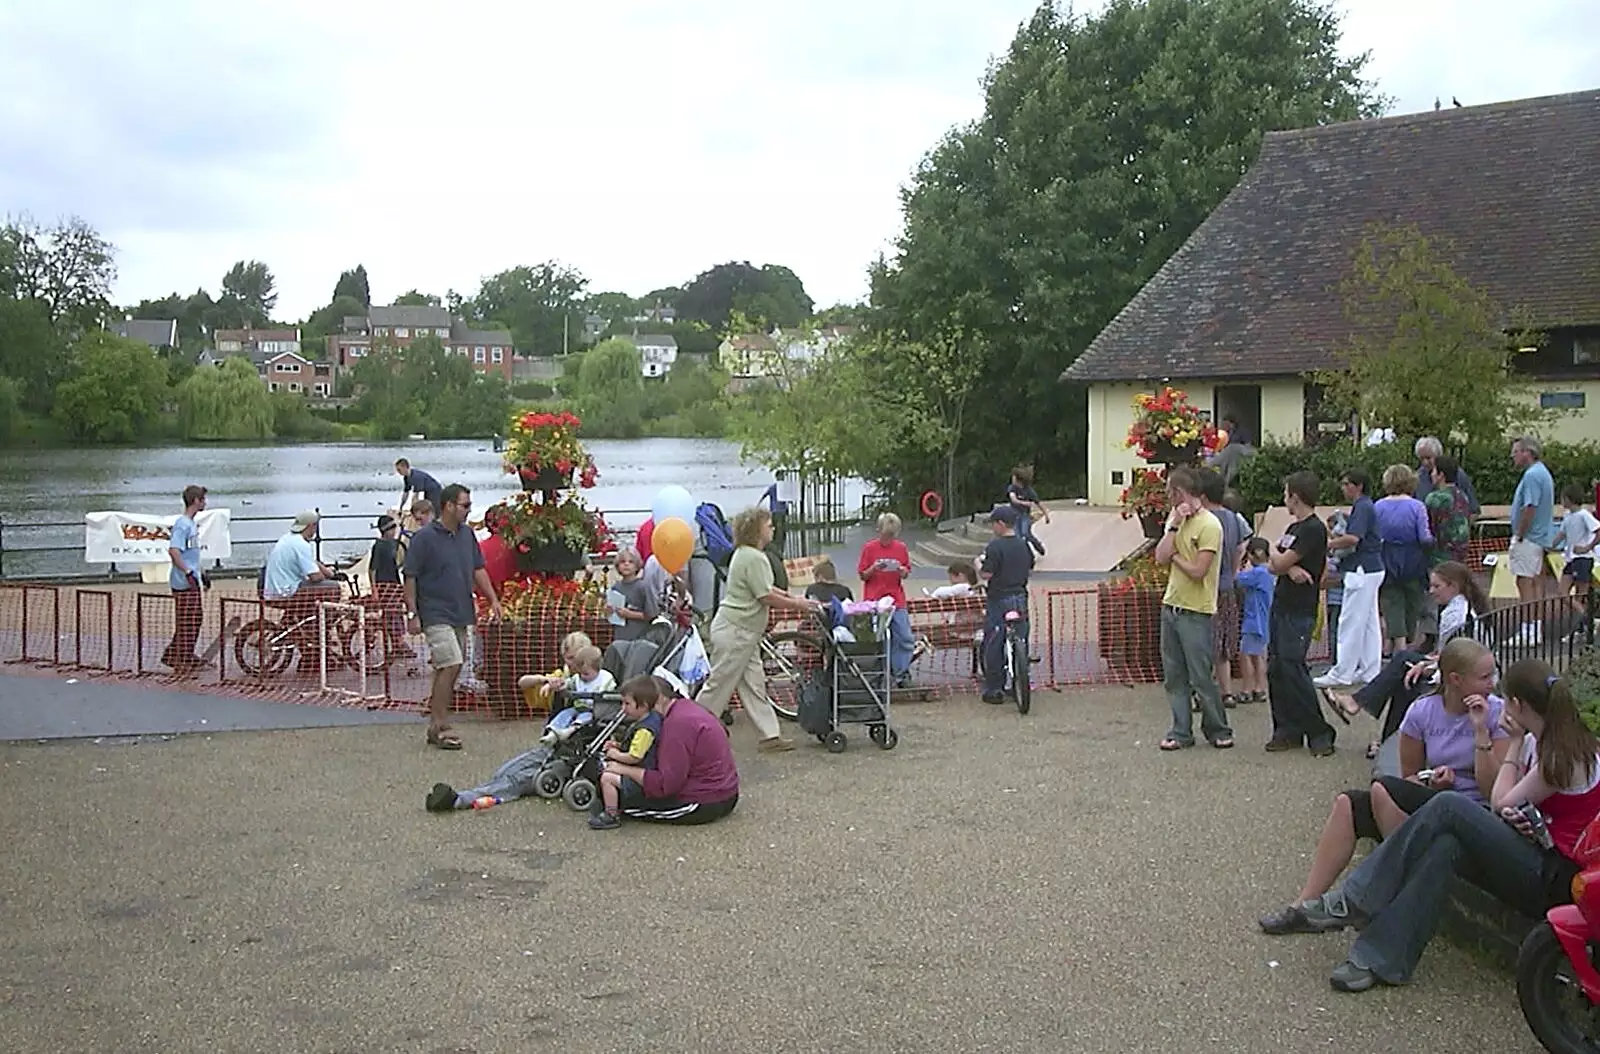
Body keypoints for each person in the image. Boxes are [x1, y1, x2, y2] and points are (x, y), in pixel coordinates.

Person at [1268, 659, 1600, 993]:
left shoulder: (1562, 756)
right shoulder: (1545, 742)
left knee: (1448, 806)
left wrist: (1512, 744)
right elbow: (1515, 806)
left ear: (1518, 705)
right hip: (1536, 854)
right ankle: (1380, 958)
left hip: (1557, 878)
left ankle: (1356, 899)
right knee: (1445, 848)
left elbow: (1500, 801)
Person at [1258, 638, 1513, 934]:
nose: (1492, 684)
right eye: (1484, 677)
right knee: (1348, 804)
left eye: (1492, 675)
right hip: (1432, 801)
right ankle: (1303, 906)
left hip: (1474, 812)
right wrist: (1434, 781)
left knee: (1382, 789)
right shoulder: (1423, 711)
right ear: (1456, 680)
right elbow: (1411, 779)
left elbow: (1495, 790)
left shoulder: (1497, 713)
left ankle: (1384, 898)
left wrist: (1480, 730)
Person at [1323, 561, 1491, 755]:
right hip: (1462, 670)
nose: (1431, 591)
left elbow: (1459, 659)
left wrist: (1427, 666)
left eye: (1437, 586)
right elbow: (1452, 653)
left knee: (1405, 669)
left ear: (1454, 586)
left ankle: (1359, 707)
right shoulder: (1463, 606)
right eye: (1431, 586)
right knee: (1405, 667)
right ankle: (1381, 734)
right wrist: (1428, 661)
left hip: (1463, 678)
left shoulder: (1456, 614)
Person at [696, 506, 823, 752]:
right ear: (757, 529)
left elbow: (765, 588)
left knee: (754, 685)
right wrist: (798, 603)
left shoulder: (744, 554)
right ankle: (692, 729)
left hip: (743, 632)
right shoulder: (754, 557)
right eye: (768, 525)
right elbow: (764, 595)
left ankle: (770, 735)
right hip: (737, 631)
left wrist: (788, 595)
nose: (772, 528)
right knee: (719, 685)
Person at [404, 483, 502, 751]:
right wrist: (413, 613)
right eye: (465, 505)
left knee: (449, 667)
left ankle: (435, 724)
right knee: (451, 663)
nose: (469, 511)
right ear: (448, 505)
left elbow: (478, 568)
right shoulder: (424, 538)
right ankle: (441, 723)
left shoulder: (467, 535)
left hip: (461, 610)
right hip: (434, 611)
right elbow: (410, 575)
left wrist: (492, 599)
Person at [1154, 467, 1231, 750]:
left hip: (1197, 609)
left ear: (1180, 492)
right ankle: (1180, 730)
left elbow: (1199, 570)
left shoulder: (1210, 525)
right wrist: (1174, 526)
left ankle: (1218, 728)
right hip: (1172, 605)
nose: (1168, 498)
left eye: (1170, 493)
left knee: (1200, 675)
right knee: (1174, 676)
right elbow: (1160, 555)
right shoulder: (1176, 521)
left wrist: (1175, 557)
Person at [600, 674, 741, 825]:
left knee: (623, 805)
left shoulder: (676, 725)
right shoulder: (688, 707)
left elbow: (666, 784)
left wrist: (623, 769)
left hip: (703, 801)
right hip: (727, 792)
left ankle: (612, 815)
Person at [1265, 471, 1335, 755]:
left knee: (1294, 667)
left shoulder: (1313, 529)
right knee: (1277, 668)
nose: (1285, 499)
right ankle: (1286, 729)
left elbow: (1278, 559)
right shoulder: (1293, 528)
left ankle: (1319, 731)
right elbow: (1275, 564)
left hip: (1299, 608)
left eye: (1286, 494)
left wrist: (1281, 560)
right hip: (1281, 602)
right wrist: (1287, 566)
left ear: (1295, 496)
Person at [1316, 467, 1384, 689]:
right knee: (1368, 622)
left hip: (1361, 569)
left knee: (1350, 621)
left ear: (1358, 486)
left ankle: (1342, 672)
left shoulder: (1362, 507)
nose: (1343, 488)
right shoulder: (1364, 506)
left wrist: (1328, 544)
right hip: (1372, 568)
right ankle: (1369, 669)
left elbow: (1353, 538)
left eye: (1347, 484)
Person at [262, 510, 342, 672]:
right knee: (334, 589)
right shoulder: (301, 544)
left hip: (275, 588)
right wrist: (329, 578)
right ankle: (321, 629)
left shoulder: (289, 539)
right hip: (287, 591)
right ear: (312, 526)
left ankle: (312, 640)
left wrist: (330, 573)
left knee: (313, 606)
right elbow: (315, 577)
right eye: (315, 527)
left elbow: (312, 562)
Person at [590, 677, 667, 830]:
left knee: (607, 778)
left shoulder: (645, 730)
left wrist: (615, 755)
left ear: (643, 706)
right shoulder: (647, 720)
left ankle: (611, 814)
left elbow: (635, 756)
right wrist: (618, 745)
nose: (623, 708)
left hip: (640, 778)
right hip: (639, 770)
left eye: (627, 704)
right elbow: (638, 747)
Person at [1200, 468, 1248, 708]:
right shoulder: (1233, 518)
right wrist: (1234, 568)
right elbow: (1241, 547)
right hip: (1227, 584)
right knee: (1223, 643)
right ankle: (1226, 691)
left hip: (1204, 588)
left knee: (1204, 640)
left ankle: (1202, 692)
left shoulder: (1204, 519)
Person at [1374, 464, 1433, 656]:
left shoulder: (1379, 506)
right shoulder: (1417, 506)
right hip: (1413, 556)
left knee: (1391, 599)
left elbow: (1376, 534)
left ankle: (1395, 642)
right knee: (1413, 599)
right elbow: (1424, 537)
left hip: (1387, 555)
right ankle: (1405, 641)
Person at [978, 505, 1033, 704]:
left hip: (998, 598)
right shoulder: (1023, 544)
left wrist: (978, 565)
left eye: (994, 524)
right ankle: (1021, 679)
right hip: (1019, 595)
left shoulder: (995, 546)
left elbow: (986, 574)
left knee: (994, 641)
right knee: (1021, 637)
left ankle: (994, 688)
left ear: (1000, 524)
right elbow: (1031, 565)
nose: (993, 528)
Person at [856, 513, 918, 684]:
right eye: (886, 534)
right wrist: (873, 568)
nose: (889, 538)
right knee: (879, 638)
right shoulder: (869, 548)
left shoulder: (901, 548)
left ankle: (901, 671)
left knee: (905, 637)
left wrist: (902, 571)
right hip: (875, 599)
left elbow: (906, 571)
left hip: (896, 598)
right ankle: (880, 672)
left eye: (892, 535)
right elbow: (863, 575)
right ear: (879, 531)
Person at [1509, 435, 1557, 645]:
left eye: (1516, 451)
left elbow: (1530, 507)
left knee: (1524, 583)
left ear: (1527, 452)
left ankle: (1527, 631)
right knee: (1537, 584)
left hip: (1529, 538)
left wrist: (1519, 534)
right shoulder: (1542, 473)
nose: (1513, 455)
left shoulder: (1532, 476)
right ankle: (1534, 630)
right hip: (1540, 537)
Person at [520, 644, 617, 746]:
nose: (582, 677)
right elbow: (566, 683)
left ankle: (569, 731)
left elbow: (608, 692)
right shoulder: (577, 678)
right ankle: (553, 732)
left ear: (597, 669)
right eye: (579, 673)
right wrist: (550, 686)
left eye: (585, 674)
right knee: (565, 713)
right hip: (578, 707)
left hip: (594, 710)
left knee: (585, 717)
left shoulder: (605, 678)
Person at [162, 484, 208, 673]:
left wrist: (202, 573)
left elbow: (192, 553)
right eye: (203, 499)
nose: (205, 503)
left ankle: (183, 653)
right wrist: (188, 572)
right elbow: (174, 551)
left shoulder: (191, 524)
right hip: (183, 582)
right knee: (187, 620)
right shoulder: (182, 525)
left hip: (192, 578)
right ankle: (178, 656)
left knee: (194, 619)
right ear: (196, 501)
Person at [1235, 538, 1274, 705]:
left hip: (1253, 620)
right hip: (1264, 620)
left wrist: (1238, 558)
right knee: (1259, 656)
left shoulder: (1257, 573)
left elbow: (1236, 578)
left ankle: (1247, 689)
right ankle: (1260, 688)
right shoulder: (1269, 572)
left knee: (1245, 655)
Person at [1558, 483, 1599, 616]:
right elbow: (1562, 534)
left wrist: (1588, 547)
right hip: (1571, 559)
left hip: (1583, 559)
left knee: (1580, 595)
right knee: (1563, 593)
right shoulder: (1567, 516)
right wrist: (1550, 545)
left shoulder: (1584, 515)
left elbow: (1598, 530)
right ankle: (1586, 620)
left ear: (1569, 499)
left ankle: (1585, 624)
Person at [1413, 436, 1481, 516]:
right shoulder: (1418, 477)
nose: (1425, 462)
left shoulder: (1457, 474)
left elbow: (1473, 508)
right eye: (1421, 459)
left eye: (1428, 458)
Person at [605, 547, 659, 642]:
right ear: (618, 566)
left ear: (637, 566)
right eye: (623, 562)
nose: (626, 564)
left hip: (640, 637)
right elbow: (611, 615)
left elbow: (652, 614)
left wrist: (630, 614)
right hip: (620, 636)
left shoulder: (643, 587)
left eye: (631, 562)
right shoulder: (615, 588)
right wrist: (608, 612)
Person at [1322, 511, 1352, 671]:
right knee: (1334, 630)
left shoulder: (1343, 556)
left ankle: (1337, 662)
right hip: (1333, 598)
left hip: (1339, 599)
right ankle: (1336, 660)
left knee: (1336, 630)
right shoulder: (1335, 555)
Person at [1006, 464, 1049, 557]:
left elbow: (1039, 503)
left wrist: (1046, 515)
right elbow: (1013, 499)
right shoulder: (1012, 488)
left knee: (1026, 533)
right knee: (1018, 537)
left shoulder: (1028, 491)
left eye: (1014, 478)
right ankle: (1029, 556)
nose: (1012, 480)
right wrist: (1024, 503)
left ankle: (1037, 545)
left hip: (1025, 516)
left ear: (1019, 480)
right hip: (1014, 516)